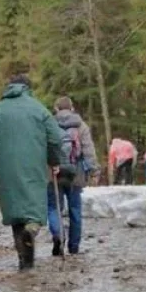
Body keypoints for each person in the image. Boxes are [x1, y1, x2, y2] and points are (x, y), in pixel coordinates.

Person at [0, 75, 69, 271]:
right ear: (28, 88)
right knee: (33, 206)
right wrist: (54, 160)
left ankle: (25, 263)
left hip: (6, 165)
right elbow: (55, 138)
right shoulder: (39, 109)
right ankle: (33, 229)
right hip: (35, 164)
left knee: (15, 212)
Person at [51, 96, 98, 256]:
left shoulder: (49, 124)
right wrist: (93, 170)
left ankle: (58, 234)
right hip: (75, 173)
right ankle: (74, 246)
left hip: (53, 173)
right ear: (72, 108)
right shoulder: (81, 126)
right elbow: (88, 150)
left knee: (53, 207)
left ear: (56, 109)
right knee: (75, 210)